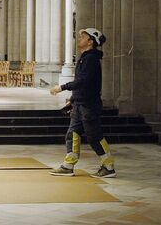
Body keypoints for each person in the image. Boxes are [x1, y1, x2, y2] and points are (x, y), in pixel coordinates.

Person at [49, 28, 116, 178]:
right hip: (80, 104)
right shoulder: (85, 57)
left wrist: (61, 87)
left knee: (94, 136)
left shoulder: (91, 59)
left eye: (83, 37)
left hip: (89, 106)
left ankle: (108, 166)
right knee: (72, 134)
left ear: (90, 41)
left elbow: (83, 81)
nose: (79, 39)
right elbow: (84, 84)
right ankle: (68, 165)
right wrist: (72, 100)